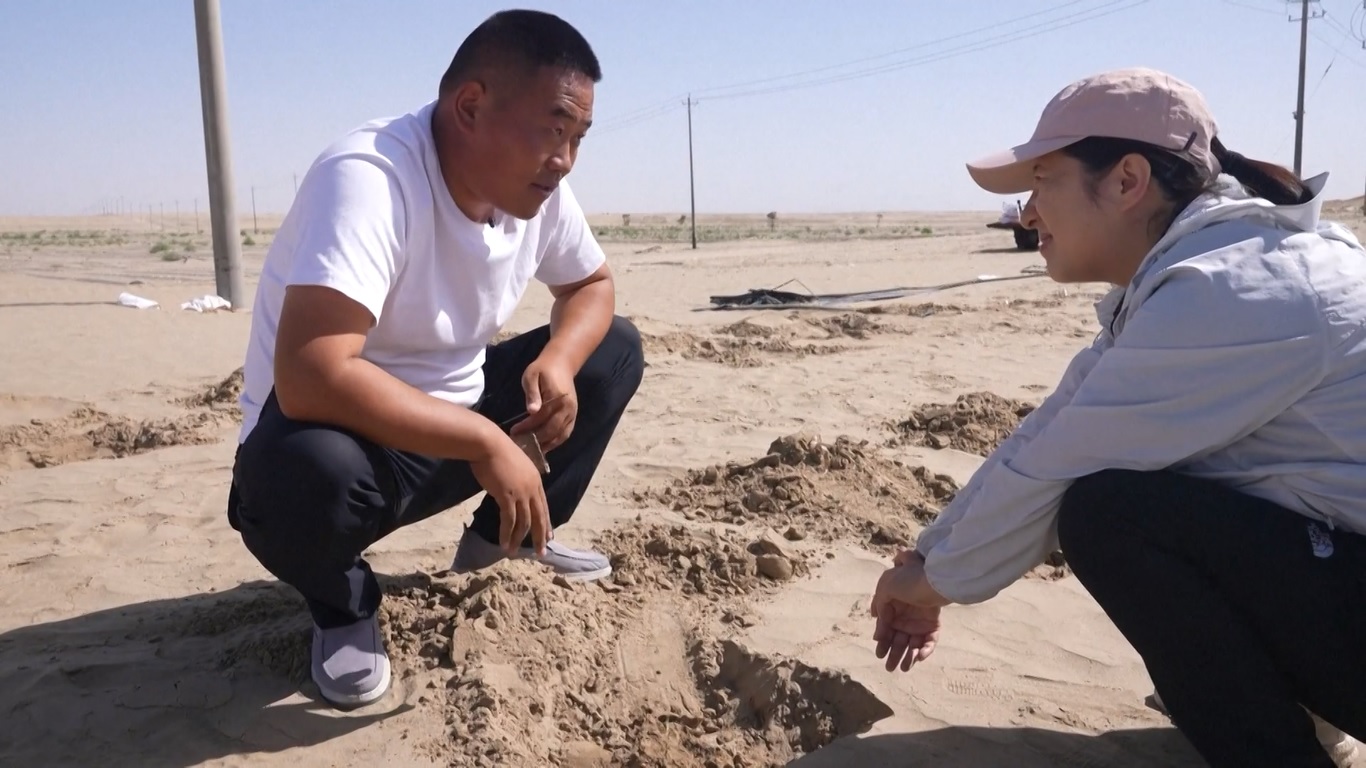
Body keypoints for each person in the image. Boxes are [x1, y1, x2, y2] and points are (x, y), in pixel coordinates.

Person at [868, 67, 1366, 768]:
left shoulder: (1233, 289)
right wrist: (929, 555)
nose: (1028, 214)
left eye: (1042, 183)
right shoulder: (1207, 270)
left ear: (1128, 181)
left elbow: (1056, 465)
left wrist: (928, 585)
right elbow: (1050, 428)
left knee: (1112, 513)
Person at [226, 9, 644, 709]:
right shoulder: (371, 176)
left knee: (614, 349)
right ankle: (344, 608)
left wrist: (561, 361)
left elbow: (590, 287)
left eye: (578, 138)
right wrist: (484, 438)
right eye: (553, 129)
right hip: (342, 444)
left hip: (455, 419)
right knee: (299, 475)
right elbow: (310, 375)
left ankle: (498, 549)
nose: (565, 159)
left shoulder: (539, 195)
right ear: (471, 106)